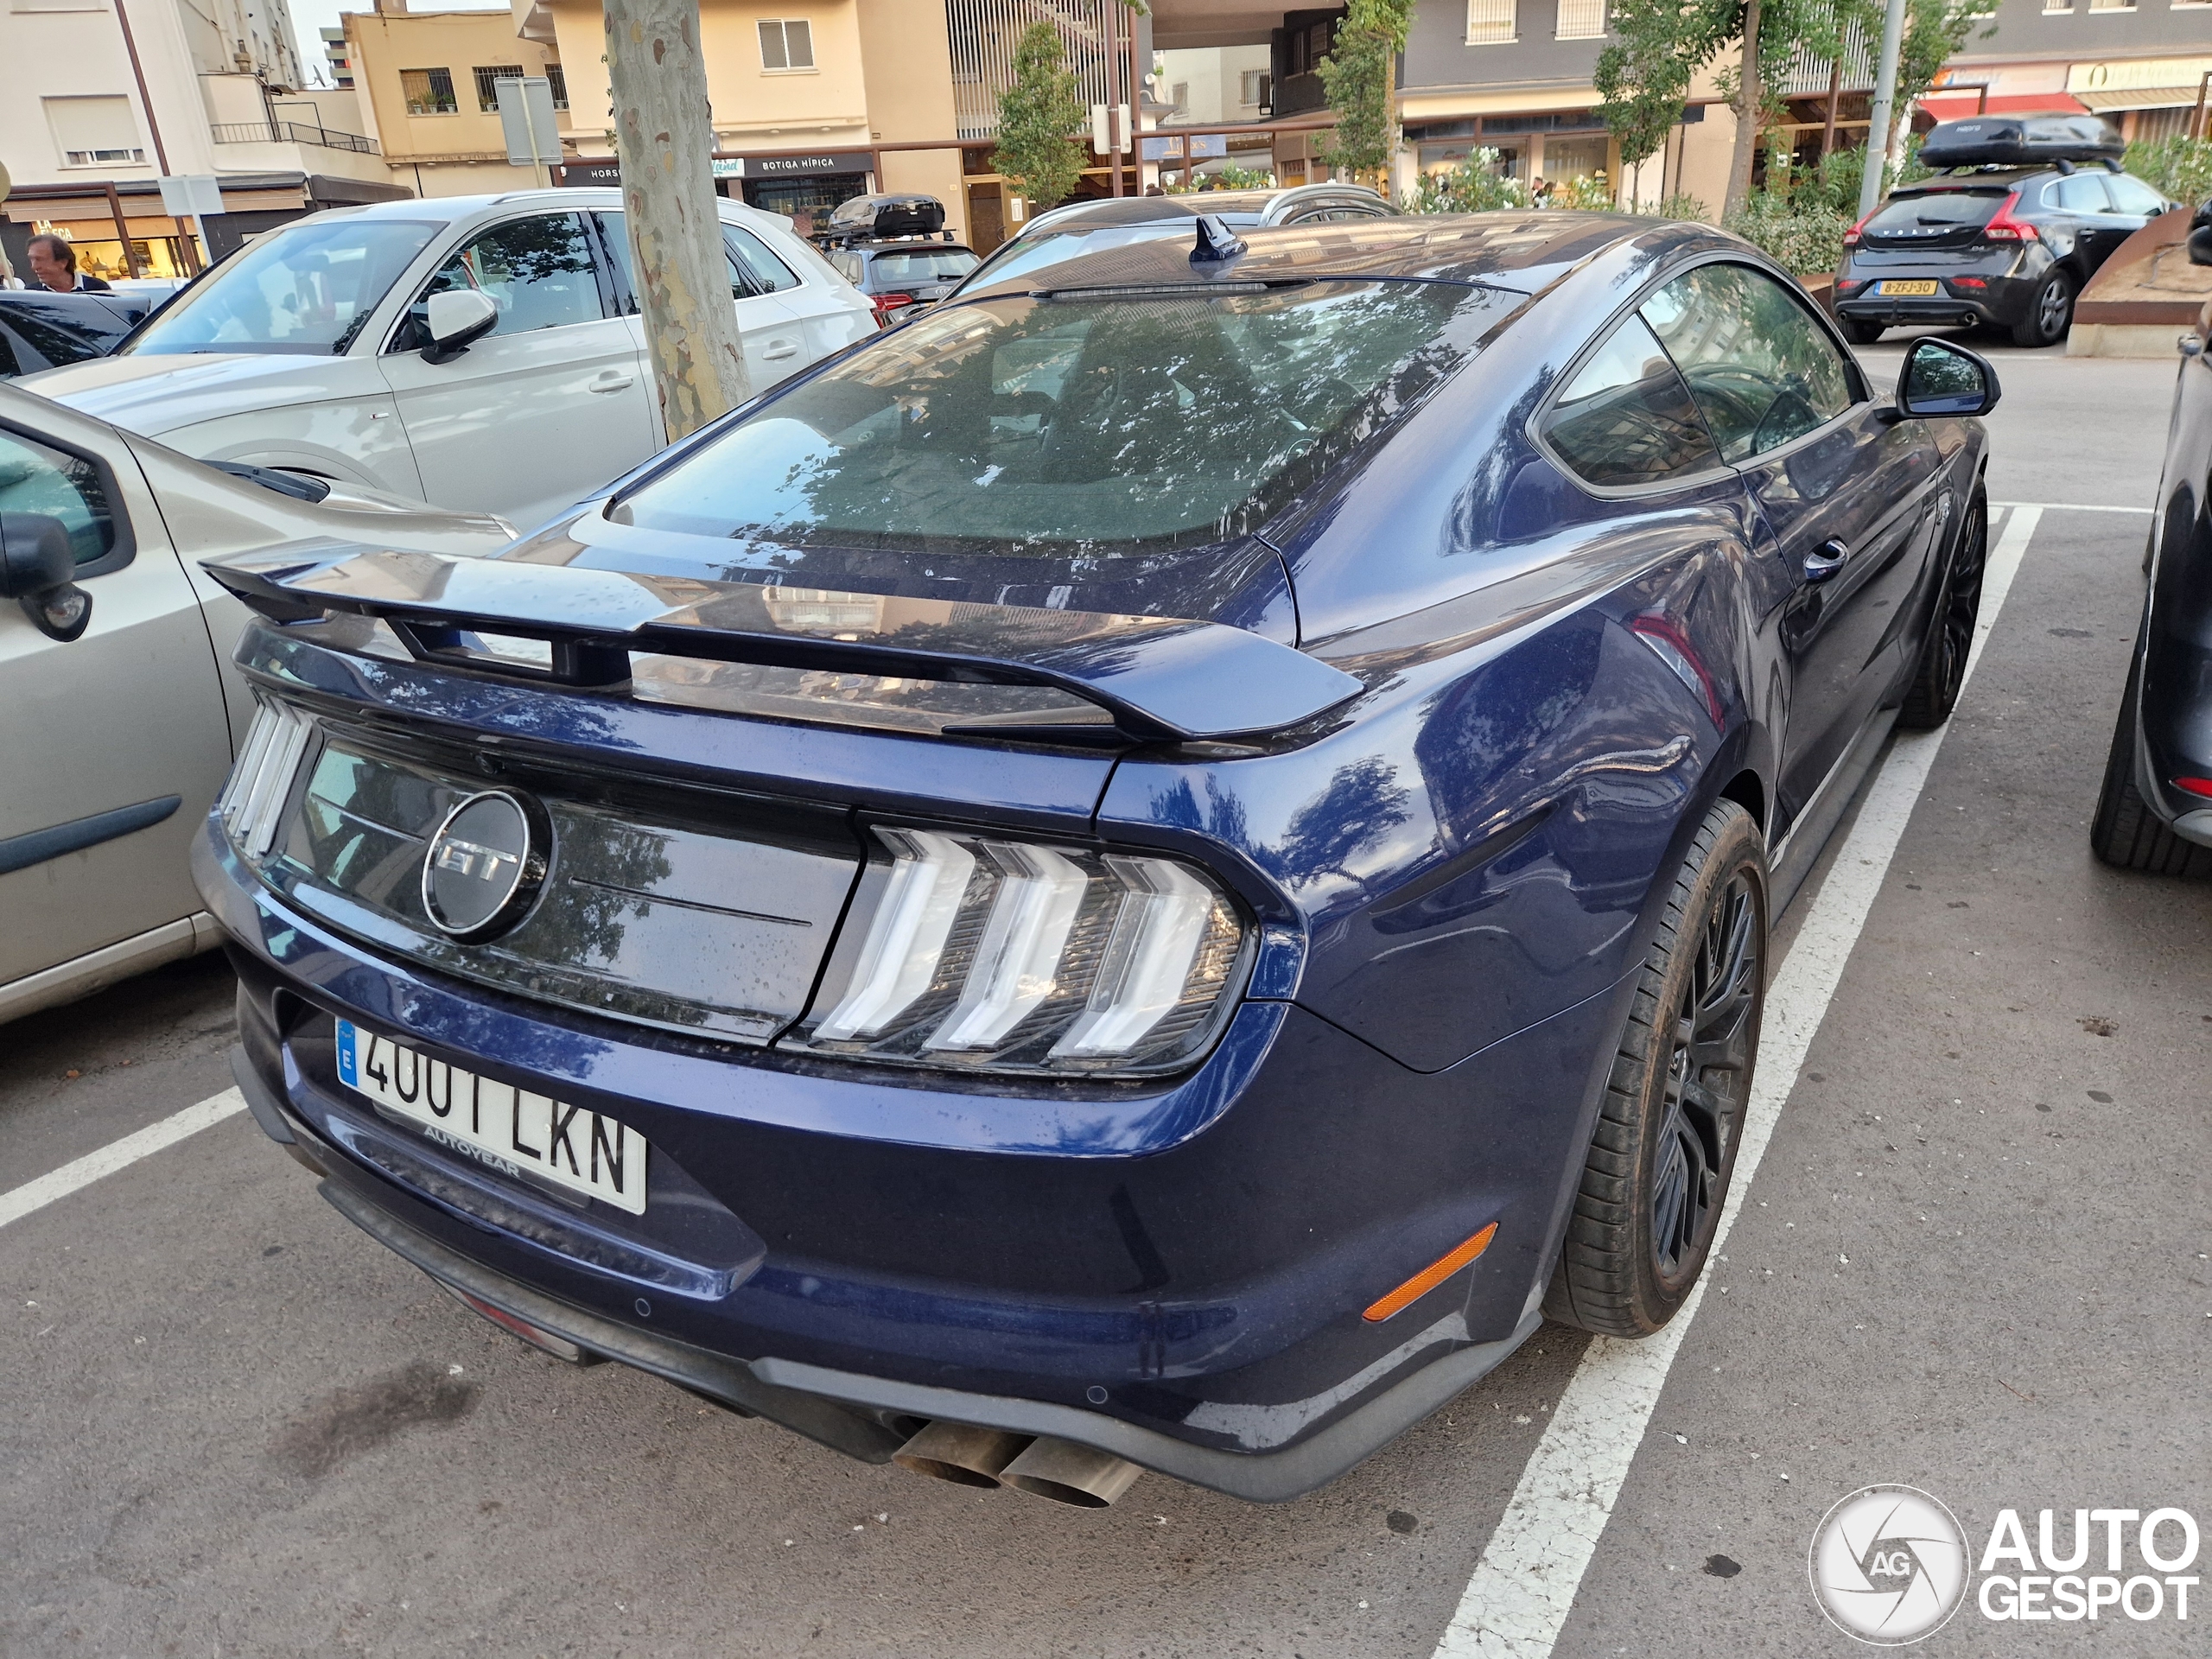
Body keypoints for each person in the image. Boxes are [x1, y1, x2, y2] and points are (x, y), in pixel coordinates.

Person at [27, 235, 111, 292]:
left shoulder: (97, 288)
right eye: (32, 259)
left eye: (40, 259)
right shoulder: (32, 293)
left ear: (63, 262)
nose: (34, 267)